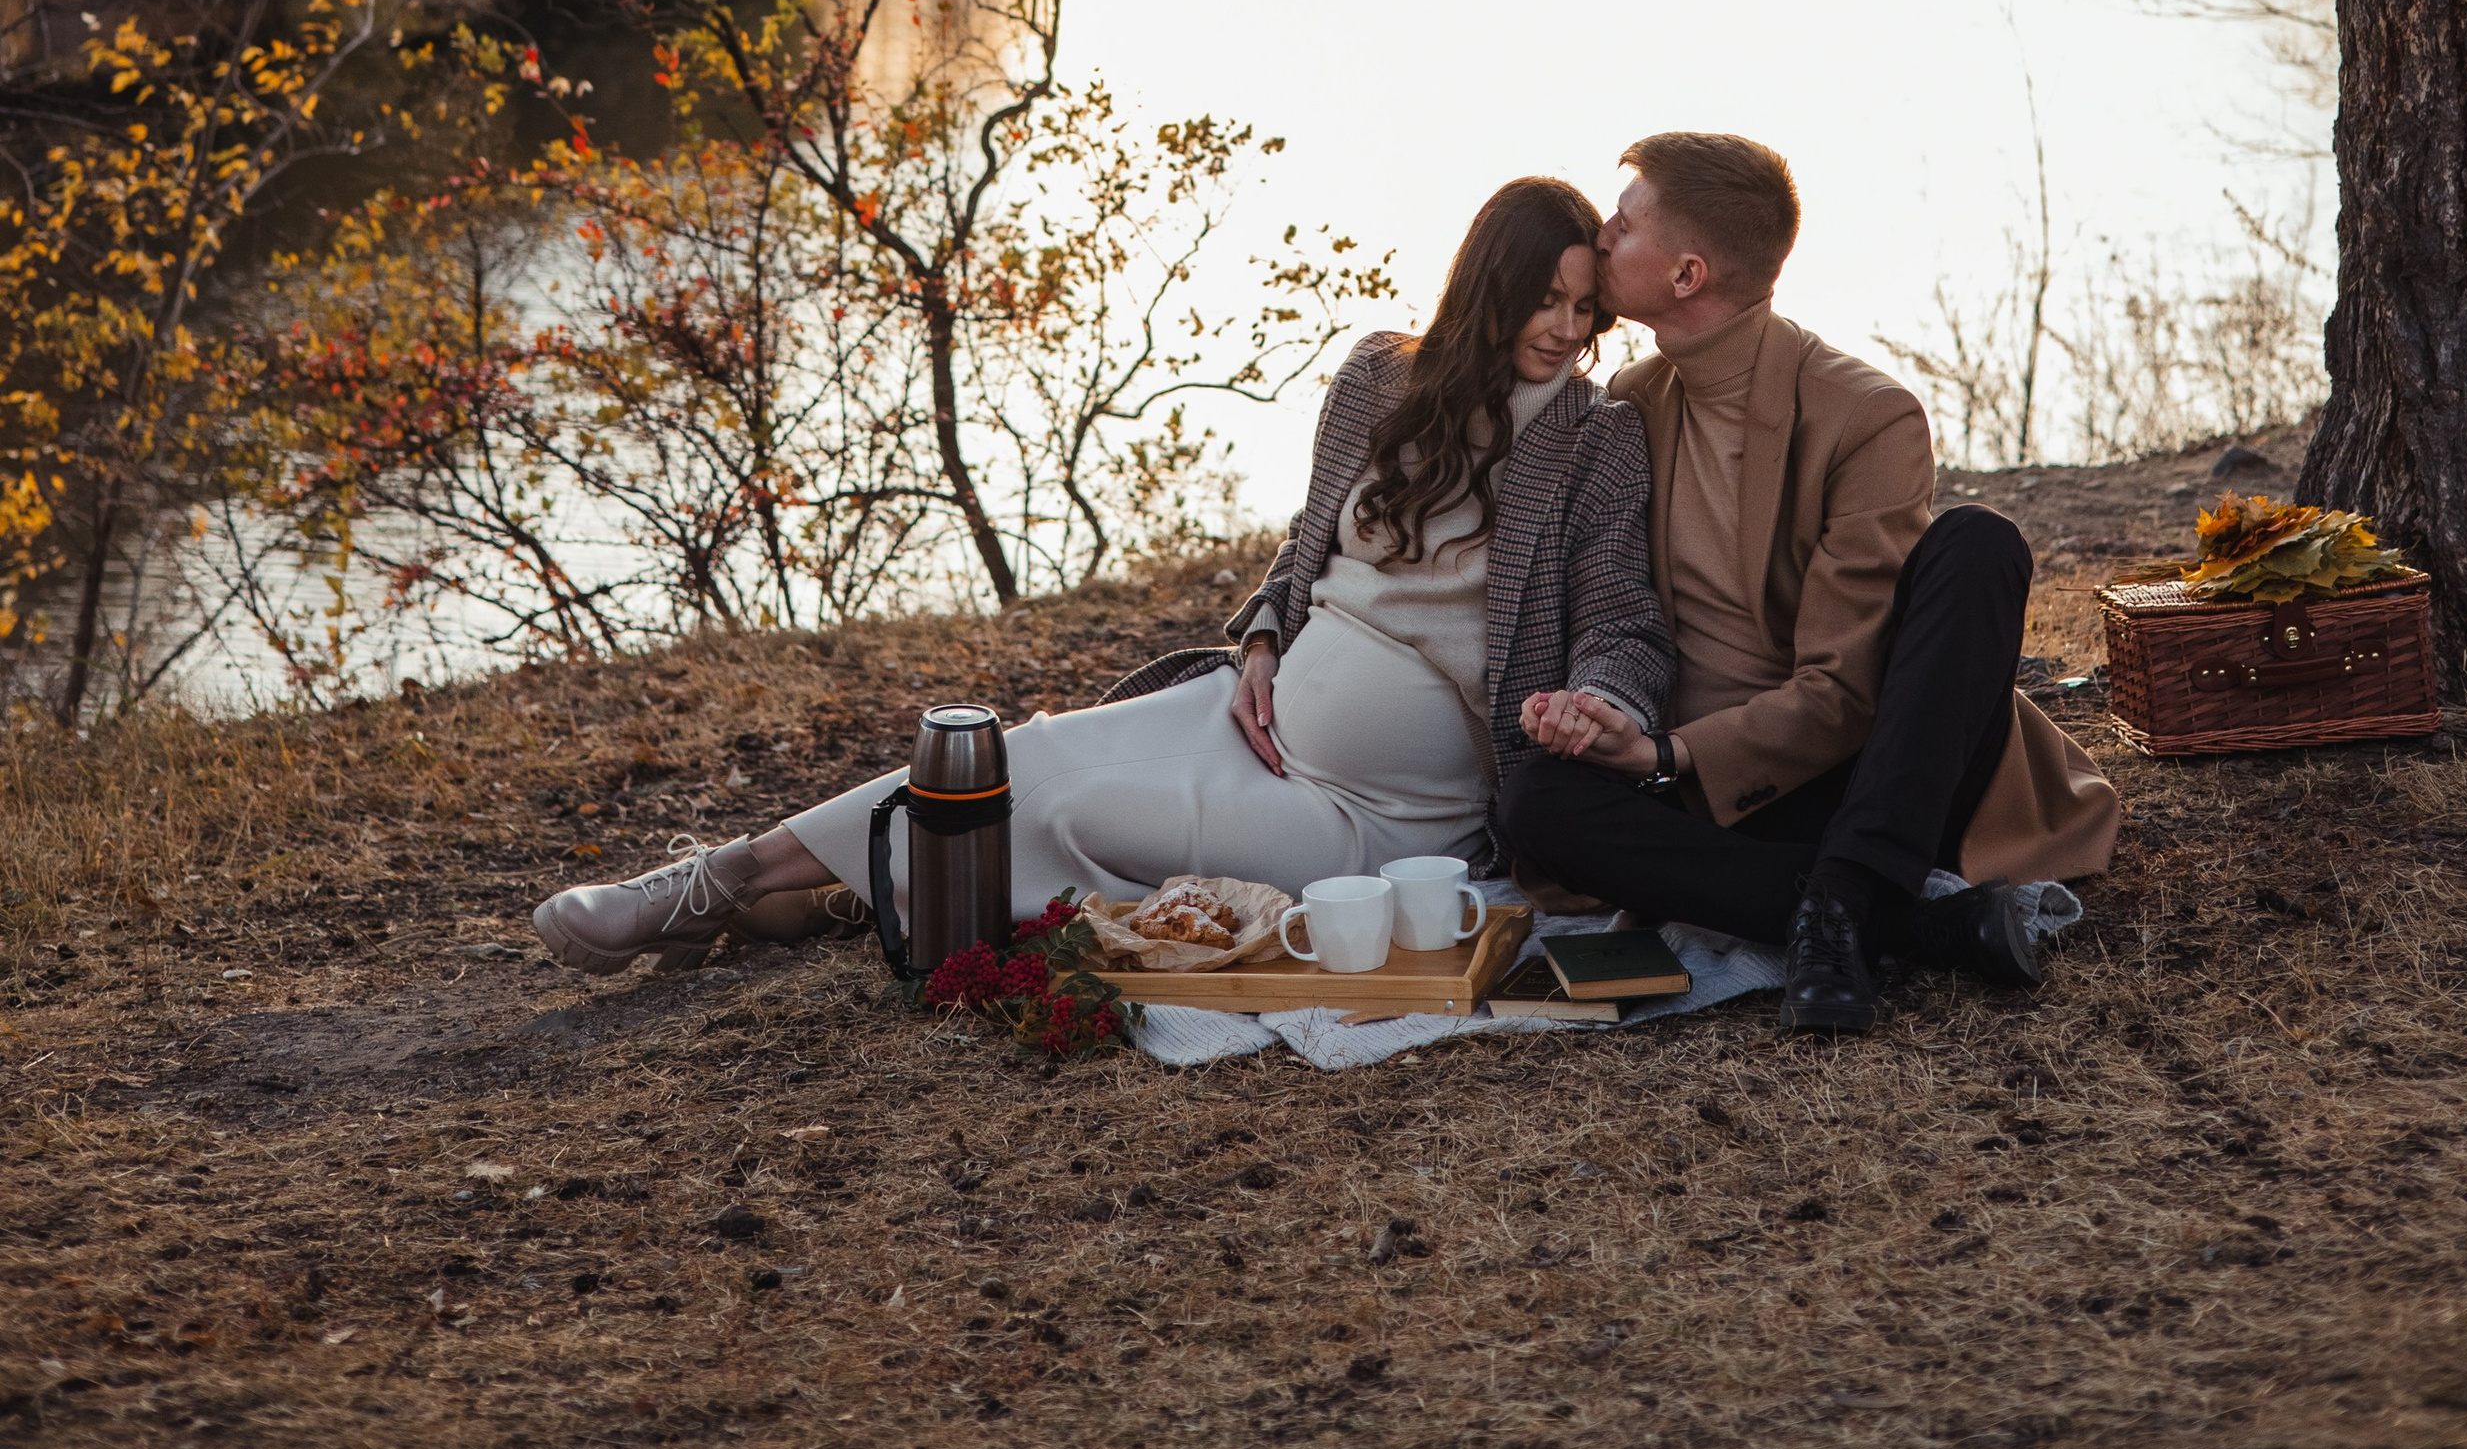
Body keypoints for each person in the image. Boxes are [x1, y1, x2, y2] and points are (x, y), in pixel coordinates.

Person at [529, 173, 1673, 973]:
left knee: (1078, 807)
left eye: (1585, 307)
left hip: (1378, 815)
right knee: (1010, 757)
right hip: (1247, 723)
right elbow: (1302, 552)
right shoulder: (1380, 378)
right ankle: (711, 884)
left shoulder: (1590, 438)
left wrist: (1604, 706)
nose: (1566, 328)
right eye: (1545, 299)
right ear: (1487, 285)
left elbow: (1623, 617)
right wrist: (1263, 642)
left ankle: (837, 892)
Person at [1497, 129, 2120, 1039]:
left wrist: (1669, 757)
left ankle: (1847, 888)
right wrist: (1621, 728)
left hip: (1875, 774)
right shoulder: (1630, 402)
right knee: (1534, 805)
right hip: (1705, 790)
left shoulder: (1866, 417)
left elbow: (1841, 695)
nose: (1598, 236)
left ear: (1687, 275)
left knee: (1978, 544)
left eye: (1622, 225)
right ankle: (1894, 920)